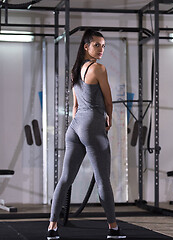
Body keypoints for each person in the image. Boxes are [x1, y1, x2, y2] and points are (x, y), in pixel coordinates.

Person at [47, 29, 126, 240]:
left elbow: (74, 106)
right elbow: (109, 101)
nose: (101, 49)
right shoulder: (99, 69)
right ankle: (113, 228)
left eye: (103, 46)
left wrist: (80, 123)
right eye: (97, 45)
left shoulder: (75, 71)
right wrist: (108, 118)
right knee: (103, 181)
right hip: (92, 125)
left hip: (75, 127)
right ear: (86, 46)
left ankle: (52, 226)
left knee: (65, 179)